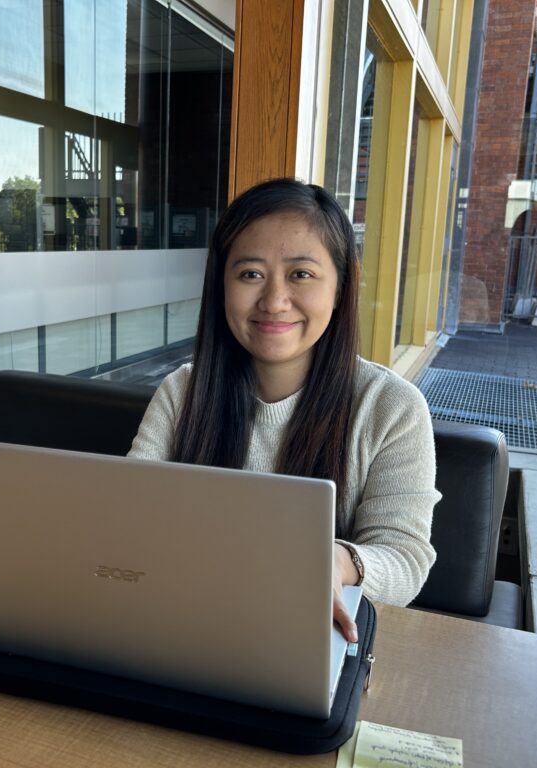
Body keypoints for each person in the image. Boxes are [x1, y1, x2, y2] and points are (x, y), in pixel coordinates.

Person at [128, 178, 439, 642]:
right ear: (222, 286)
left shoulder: (391, 407)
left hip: (308, 638)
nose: (274, 301)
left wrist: (343, 560)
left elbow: (404, 558)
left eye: (301, 274)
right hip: (182, 626)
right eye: (250, 274)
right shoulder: (183, 391)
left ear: (341, 286)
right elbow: (127, 517)